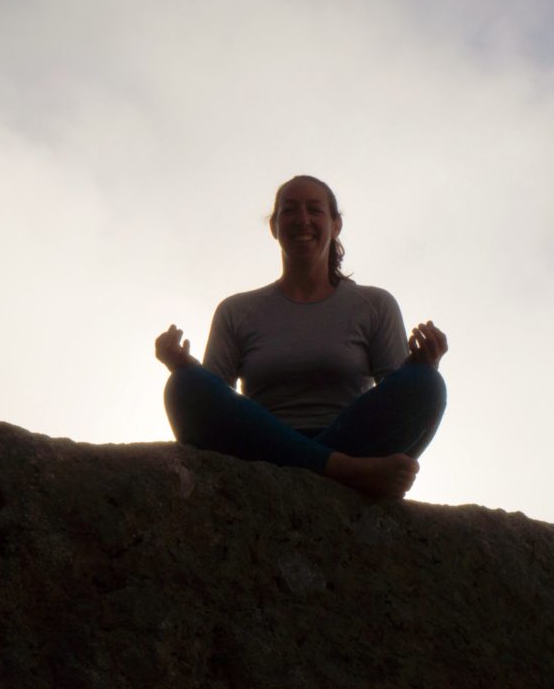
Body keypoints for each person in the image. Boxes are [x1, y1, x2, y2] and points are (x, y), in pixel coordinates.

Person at [155, 174, 448, 499]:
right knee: (183, 385)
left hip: (351, 437)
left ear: (335, 225)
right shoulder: (236, 310)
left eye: (315, 210)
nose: (303, 220)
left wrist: (425, 361)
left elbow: (398, 392)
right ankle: (340, 471)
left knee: (427, 384)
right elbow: (212, 394)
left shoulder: (374, 305)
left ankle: (317, 463)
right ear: (275, 226)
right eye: (290, 210)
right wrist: (182, 364)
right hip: (260, 441)